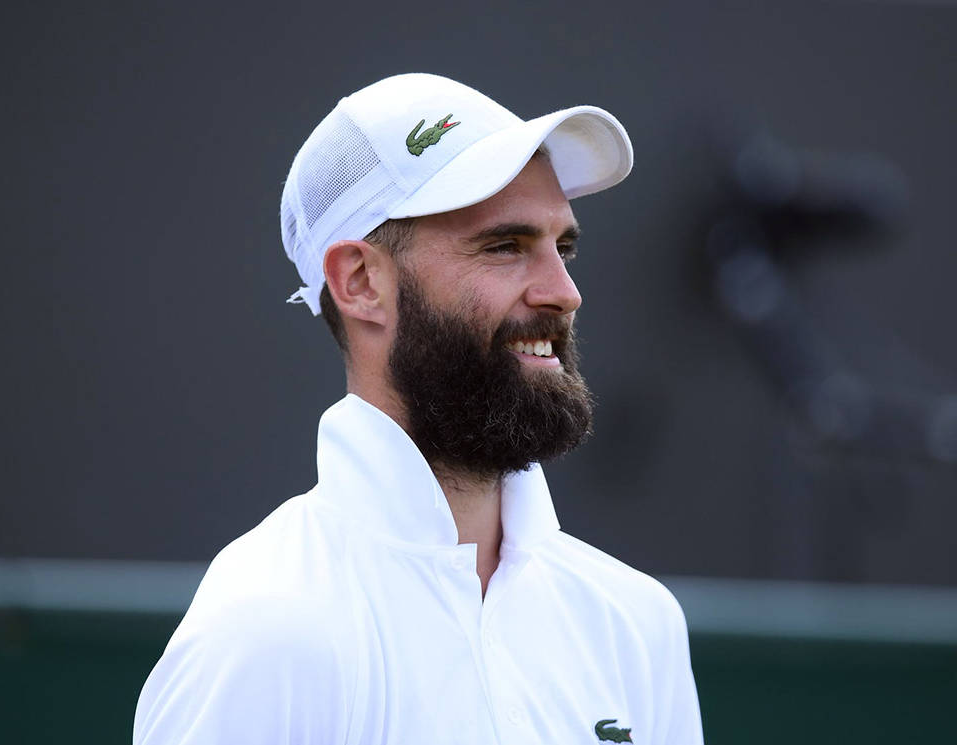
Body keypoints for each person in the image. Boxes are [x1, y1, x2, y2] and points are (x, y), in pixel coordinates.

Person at [133, 72, 704, 745]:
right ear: (360, 281)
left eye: (564, 247)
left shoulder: (635, 624)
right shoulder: (266, 630)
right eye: (504, 246)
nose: (564, 290)